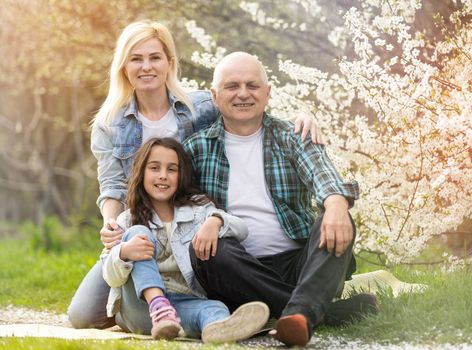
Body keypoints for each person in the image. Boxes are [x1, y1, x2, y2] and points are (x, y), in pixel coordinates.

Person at [68, 20, 319, 329]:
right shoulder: (109, 123)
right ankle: (156, 304)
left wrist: (299, 117)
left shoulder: (199, 105)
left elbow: (249, 108)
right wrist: (111, 223)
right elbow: (112, 185)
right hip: (142, 227)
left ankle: (209, 310)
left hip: (189, 225)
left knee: (198, 278)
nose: (146, 67)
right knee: (84, 315)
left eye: (154, 57)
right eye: (136, 59)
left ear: (169, 63)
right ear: (124, 66)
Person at [183, 52, 379, 347]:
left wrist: (336, 203)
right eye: (232, 86)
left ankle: (296, 312)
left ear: (268, 92)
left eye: (252, 85)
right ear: (214, 95)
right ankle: (313, 311)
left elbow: (322, 174)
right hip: (238, 270)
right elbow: (180, 203)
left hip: (300, 265)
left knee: (337, 215)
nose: (243, 94)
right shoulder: (196, 148)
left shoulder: (292, 135)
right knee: (206, 250)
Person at [102, 137, 269, 342]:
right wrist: (124, 252)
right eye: (154, 168)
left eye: (172, 169)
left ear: (182, 175)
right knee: (139, 234)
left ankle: (218, 330)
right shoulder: (127, 219)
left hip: (182, 303)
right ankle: (159, 307)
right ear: (141, 172)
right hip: (140, 308)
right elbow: (110, 277)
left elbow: (241, 229)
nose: (163, 176)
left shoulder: (198, 210)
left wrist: (215, 221)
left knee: (214, 307)